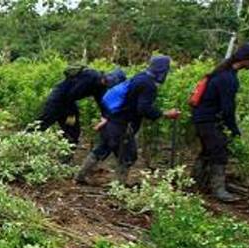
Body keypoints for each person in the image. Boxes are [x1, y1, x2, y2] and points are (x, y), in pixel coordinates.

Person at [75, 56, 181, 185]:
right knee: (128, 155)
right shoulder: (148, 85)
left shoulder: (140, 77)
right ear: (162, 70)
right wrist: (165, 114)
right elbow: (144, 108)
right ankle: (119, 187)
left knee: (102, 148)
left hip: (113, 120)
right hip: (123, 125)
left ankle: (80, 176)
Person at [191, 42, 249, 201]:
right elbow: (228, 109)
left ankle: (196, 183)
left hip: (201, 118)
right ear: (247, 59)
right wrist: (234, 129)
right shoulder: (228, 78)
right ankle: (218, 190)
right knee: (219, 152)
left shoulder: (222, 73)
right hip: (208, 120)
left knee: (208, 150)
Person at [35, 67, 126, 145]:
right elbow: (71, 93)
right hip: (56, 102)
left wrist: (105, 117)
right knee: (41, 124)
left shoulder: (100, 86)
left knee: (73, 131)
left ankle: (65, 156)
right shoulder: (90, 76)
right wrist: (70, 112)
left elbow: (101, 102)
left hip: (69, 105)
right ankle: (24, 144)